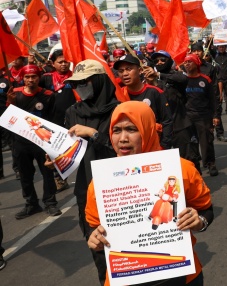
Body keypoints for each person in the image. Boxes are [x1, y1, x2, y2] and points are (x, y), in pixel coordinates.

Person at [86, 101, 213, 286]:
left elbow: (206, 210)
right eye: (116, 130)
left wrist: (199, 221)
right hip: (126, 277)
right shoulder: (101, 181)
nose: (122, 138)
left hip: (182, 276)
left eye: (131, 129)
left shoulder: (181, 169)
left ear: (147, 129)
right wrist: (94, 237)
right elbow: (95, 226)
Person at [64, 59, 121, 284]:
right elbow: (68, 148)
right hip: (87, 192)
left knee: (125, 251)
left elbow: (125, 151)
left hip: (118, 190)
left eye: (84, 82)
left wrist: (94, 134)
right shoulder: (72, 111)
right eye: (75, 83)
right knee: (99, 251)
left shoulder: (119, 110)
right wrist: (56, 158)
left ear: (98, 81)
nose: (79, 87)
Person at [7, 65, 62, 219]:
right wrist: (10, 103)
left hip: (42, 142)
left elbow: (52, 120)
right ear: (22, 78)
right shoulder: (14, 94)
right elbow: (8, 119)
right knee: (25, 175)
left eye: (34, 77)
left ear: (39, 77)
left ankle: (50, 202)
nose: (30, 80)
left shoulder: (48, 95)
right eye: (27, 77)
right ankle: (31, 204)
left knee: (47, 173)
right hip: (21, 143)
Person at [145, 50, 202, 173]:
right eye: (156, 61)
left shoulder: (175, 76)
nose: (159, 62)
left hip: (180, 126)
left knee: (188, 160)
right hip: (163, 130)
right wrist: (150, 81)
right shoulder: (151, 80)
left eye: (162, 60)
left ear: (169, 61)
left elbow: (182, 79)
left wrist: (158, 75)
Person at [114, 54, 173, 150]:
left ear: (140, 70)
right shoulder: (119, 95)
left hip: (154, 147)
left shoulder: (155, 92)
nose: (125, 74)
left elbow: (167, 121)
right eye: (121, 71)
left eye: (129, 69)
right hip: (130, 149)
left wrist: (163, 147)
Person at [40, 49, 77, 192]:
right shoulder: (46, 78)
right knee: (56, 151)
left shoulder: (75, 77)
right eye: (60, 62)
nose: (64, 64)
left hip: (72, 120)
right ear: (53, 63)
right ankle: (60, 179)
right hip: (52, 120)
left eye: (66, 62)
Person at [184, 54, 219, 177]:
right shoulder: (182, 80)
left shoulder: (205, 80)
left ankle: (210, 164)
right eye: (185, 62)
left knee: (207, 142)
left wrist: (215, 115)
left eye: (190, 61)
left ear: (197, 63)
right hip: (188, 117)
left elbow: (213, 99)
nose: (187, 64)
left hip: (204, 116)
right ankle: (195, 167)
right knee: (191, 143)